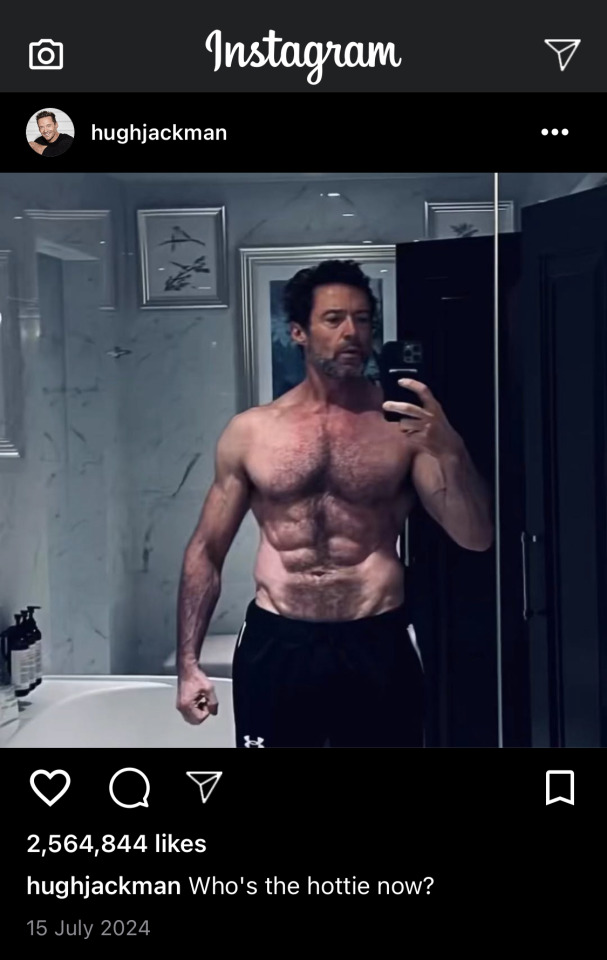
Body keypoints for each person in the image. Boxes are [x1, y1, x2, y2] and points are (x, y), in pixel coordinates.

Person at [176, 259, 493, 747]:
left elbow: (475, 537)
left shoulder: (404, 428)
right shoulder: (251, 431)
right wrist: (188, 665)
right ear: (298, 332)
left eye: (362, 319)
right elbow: (206, 550)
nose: (352, 332)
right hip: (278, 642)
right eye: (334, 319)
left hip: (376, 641)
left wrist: (451, 448)